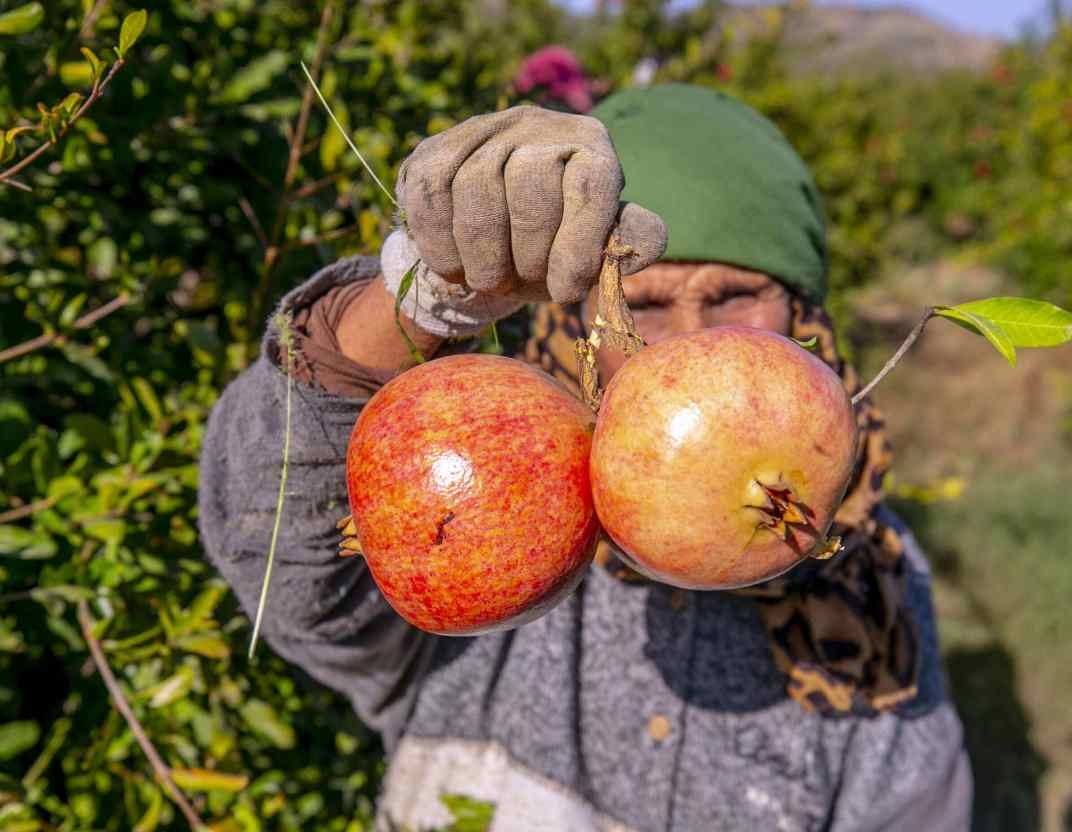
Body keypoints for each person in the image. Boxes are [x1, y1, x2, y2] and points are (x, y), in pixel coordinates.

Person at [199, 84, 972, 831]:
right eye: (641, 302)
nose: (678, 341)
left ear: (803, 320)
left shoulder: (875, 585)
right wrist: (423, 297)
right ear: (571, 318)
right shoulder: (510, 509)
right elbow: (271, 555)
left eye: (734, 297)